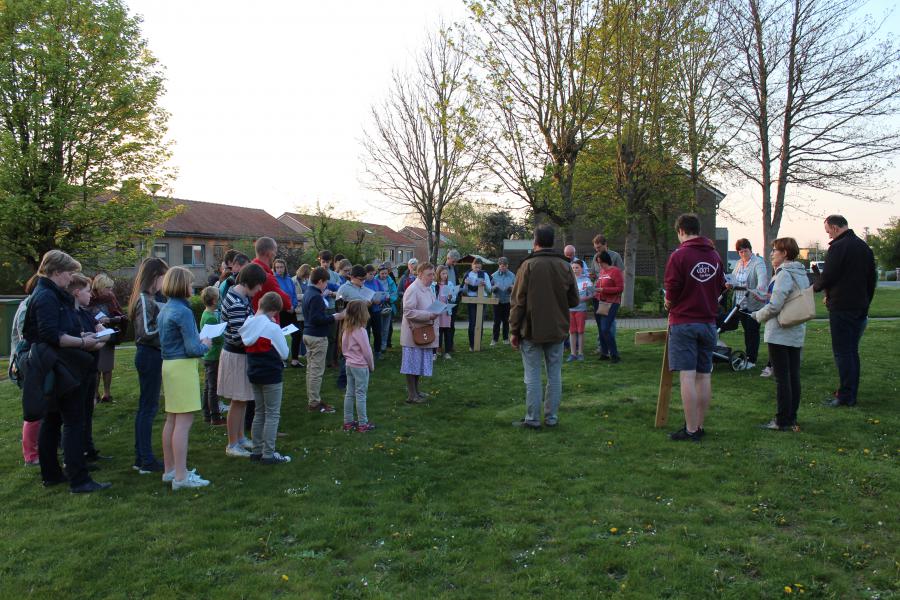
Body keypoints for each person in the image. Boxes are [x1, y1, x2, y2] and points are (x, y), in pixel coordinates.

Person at [24, 250, 111, 493]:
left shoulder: (49, 294)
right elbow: (51, 335)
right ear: (57, 272)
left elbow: (59, 330)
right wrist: (83, 342)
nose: (71, 278)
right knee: (72, 421)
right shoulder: (46, 297)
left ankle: (53, 473)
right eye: (70, 273)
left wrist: (81, 336)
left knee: (53, 421)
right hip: (59, 366)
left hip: (58, 363)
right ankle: (78, 478)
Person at [663, 213, 725, 442]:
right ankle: (699, 425)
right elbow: (720, 287)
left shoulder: (679, 255)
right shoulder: (715, 255)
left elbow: (672, 288)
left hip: (684, 321)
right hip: (708, 322)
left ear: (681, 231)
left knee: (687, 377)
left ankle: (690, 429)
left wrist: (668, 302)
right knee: (704, 376)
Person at [509, 226, 579, 428]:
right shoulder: (564, 266)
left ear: (535, 241)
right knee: (554, 374)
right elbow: (574, 300)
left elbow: (518, 302)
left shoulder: (527, 266)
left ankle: (533, 419)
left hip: (531, 329)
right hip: (557, 328)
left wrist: (514, 330)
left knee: (532, 375)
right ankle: (551, 418)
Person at [813, 215, 877, 407]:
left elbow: (829, 275)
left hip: (842, 306)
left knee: (843, 352)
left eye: (828, 231)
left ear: (834, 228)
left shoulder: (838, 247)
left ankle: (846, 395)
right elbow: (871, 278)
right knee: (851, 351)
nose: (828, 236)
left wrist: (815, 288)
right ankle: (849, 391)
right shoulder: (863, 247)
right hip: (859, 305)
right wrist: (866, 301)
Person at [157, 267, 212, 489]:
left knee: (172, 419)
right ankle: (181, 477)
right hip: (182, 367)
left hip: (169, 366)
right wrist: (205, 344)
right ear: (182, 285)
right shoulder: (183, 311)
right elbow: (192, 348)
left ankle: (170, 470)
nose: (192, 288)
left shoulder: (165, 309)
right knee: (183, 422)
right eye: (190, 284)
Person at [752, 238, 809, 431]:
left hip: (780, 332)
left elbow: (776, 306)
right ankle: (791, 416)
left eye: (775, 250)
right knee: (793, 376)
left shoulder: (784, 274)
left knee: (782, 377)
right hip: (796, 329)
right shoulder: (801, 272)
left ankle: (782, 420)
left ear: (785, 253)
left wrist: (758, 315)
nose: (771, 254)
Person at [219, 262, 267, 457]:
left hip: (239, 356)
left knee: (243, 399)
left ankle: (239, 438)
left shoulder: (239, 296)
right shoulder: (237, 302)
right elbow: (241, 337)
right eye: (259, 285)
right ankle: (232, 444)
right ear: (250, 283)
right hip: (236, 356)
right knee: (237, 401)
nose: (261, 289)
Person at [240, 291, 292, 464]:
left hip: (254, 372)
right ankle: (268, 453)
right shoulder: (271, 327)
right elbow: (284, 354)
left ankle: (256, 450)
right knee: (272, 414)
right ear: (274, 311)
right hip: (271, 374)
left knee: (259, 412)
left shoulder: (248, 323)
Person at [129, 257, 169, 474]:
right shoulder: (144, 299)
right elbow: (146, 332)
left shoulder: (154, 298)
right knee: (147, 408)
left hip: (154, 355)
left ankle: (141, 457)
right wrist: (169, 331)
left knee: (148, 407)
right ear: (155, 276)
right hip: (148, 356)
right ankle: (145, 459)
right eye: (163, 276)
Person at [69, 274, 109, 469]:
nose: (90, 295)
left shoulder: (85, 313)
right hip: (79, 370)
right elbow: (83, 342)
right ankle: (78, 456)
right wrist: (94, 341)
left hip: (91, 368)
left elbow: (102, 334)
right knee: (77, 416)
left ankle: (89, 449)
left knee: (88, 412)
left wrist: (98, 340)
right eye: (86, 291)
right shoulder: (72, 315)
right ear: (76, 293)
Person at [303, 266, 346, 414]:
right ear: (320, 281)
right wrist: (336, 317)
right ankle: (314, 402)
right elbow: (317, 319)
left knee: (311, 370)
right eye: (325, 282)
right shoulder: (315, 296)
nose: (326, 285)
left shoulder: (310, 292)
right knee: (316, 371)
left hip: (309, 334)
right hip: (317, 336)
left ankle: (313, 399)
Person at [400, 262, 442, 404]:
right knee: (411, 365)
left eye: (433, 274)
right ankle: (412, 394)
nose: (432, 277)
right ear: (420, 274)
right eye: (429, 275)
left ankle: (416, 391)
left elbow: (431, 305)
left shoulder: (428, 288)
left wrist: (439, 309)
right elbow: (408, 312)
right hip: (413, 333)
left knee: (418, 364)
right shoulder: (413, 289)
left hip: (424, 332)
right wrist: (429, 315)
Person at [726, 239, 769, 370]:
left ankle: (751, 359)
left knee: (752, 331)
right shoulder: (739, 263)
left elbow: (762, 280)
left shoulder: (758, 263)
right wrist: (730, 284)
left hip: (753, 303)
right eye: (740, 251)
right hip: (740, 303)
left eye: (745, 251)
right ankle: (748, 355)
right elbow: (733, 278)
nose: (743, 254)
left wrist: (757, 288)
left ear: (750, 250)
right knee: (746, 331)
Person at [11, 275, 40, 466]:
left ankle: (43, 446)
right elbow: (25, 336)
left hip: (36, 359)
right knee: (33, 409)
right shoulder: (27, 306)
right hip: (27, 362)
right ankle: (30, 453)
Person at [88, 273, 125, 403]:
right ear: (100, 287)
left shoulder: (111, 298)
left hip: (109, 335)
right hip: (94, 336)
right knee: (96, 368)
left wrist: (113, 319)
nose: (110, 291)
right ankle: (95, 393)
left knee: (107, 367)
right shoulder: (89, 298)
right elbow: (85, 313)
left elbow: (119, 313)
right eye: (108, 288)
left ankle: (107, 393)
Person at [341, 300, 376, 432]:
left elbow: (344, 349)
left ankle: (348, 421)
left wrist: (349, 359)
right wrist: (371, 366)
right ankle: (363, 423)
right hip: (360, 366)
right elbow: (367, 351)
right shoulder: (361, 331)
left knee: (349, 393)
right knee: (361, 394)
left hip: (349, 365)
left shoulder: (346, 330)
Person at [590, 235, 624, 352]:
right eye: (595, 248)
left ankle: (610, 347)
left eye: (599, 247)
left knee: (609, 324)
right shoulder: (595, 257)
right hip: (597, 295)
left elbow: (620, 276)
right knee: (600, 324)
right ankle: (602, 347)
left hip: (610, 297)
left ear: (605, 244)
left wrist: (610, 290)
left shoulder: (615, 256)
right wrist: (592, 276)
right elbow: (594, 274)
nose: (597, 250)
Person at [199, 286, 226, 425]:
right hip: (213, 355)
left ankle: (206, 414)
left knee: (208, 386)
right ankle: (215, 416)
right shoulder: (210, 318)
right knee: (212, 387)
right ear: (214, 301)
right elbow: (217, 338)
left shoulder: (206, 314)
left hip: (208, 355)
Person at [595, 251, 624, 363]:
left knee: (605, 328)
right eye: (598, 263)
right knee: (601, 329)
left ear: (606, 260)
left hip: (612, 302)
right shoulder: (602, 272)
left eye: (601, 262)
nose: (600, 265)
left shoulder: (615, 271)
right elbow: (599, 285)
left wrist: (604, 290)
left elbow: (620, 288)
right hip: (601, 302)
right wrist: (594, 291)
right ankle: (604, 353)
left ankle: (615, 354)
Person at [273, 258, 300, 363]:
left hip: (291, 310)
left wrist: (293, 306)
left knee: (297, 333)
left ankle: (295, 359)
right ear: (274, 268)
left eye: (281, 267)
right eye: (277, 267)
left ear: (285, 268)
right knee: (280, 336)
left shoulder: (289, 280)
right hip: (281, 311)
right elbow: (278, 296)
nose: (280, 269)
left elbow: (293, 294)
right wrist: (286, 307)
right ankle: (281, 359)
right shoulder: (274, 280)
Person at [462, 258, 492, 351]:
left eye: (479, 267)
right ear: (472, 265)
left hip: (482, 299)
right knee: (472, 323)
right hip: (472, 300)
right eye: (475, 267)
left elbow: (489, 290)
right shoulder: (468, 274)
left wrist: (485, 285)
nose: (477, 269)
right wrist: (466, 284)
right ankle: (471, 345)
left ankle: (478, 344)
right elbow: (464, 291)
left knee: (480, 322)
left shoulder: (485, 274)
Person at [567, 261, 593, 362]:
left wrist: (583, 299)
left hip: (581, 309)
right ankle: (573, 354)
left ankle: (580, 353)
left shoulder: (587, 280)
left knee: (580, 331)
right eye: (573, 268)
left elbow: (592, 294)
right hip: (570, 310)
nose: (574, 270)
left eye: (577, 267)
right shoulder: (568, 280)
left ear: (582, 268)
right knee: (572, 332)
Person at [491, 257, 515, 346]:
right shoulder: (494, 275)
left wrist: (512, 288)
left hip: (507, 300)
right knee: (496, 321)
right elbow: (490, 288)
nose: (503, 267)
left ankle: (505, 339)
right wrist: (494, 287)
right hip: (497, 300)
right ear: (499, 265)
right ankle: (494, 339)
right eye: (502, 266)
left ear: (507, 265)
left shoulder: (512, 275)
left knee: (506, 320)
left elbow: (516, 287)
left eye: (505, 266)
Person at [290, 264, 311, 367]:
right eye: (307, 275)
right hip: (297, 310)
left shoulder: (306, 281)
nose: (307, 277)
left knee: (304, 333)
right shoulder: (293, 281)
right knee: (298, 333)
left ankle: (303, 352)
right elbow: (293, 295)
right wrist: (305, 296)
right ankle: (298, 353)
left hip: (305, 310)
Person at [363, 264, 386, 358]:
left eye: (373, 274)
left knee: (377, 331)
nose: (372, 276)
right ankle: (366, 352)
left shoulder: (376, 282)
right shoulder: (363, 283)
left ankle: (377, 351)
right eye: (370, 274)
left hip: (376, 310)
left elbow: (383, 293)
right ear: (365, 274)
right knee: (366, 332)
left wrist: (381, 299)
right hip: (366, 310)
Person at [434, 265, 456, 359]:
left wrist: (451, 297)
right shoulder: (434, 284)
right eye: (443, 273)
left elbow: (454, 298)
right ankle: (435, 352)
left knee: (447, 331)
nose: (445, 275)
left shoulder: (450, 284)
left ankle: (447, 352)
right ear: (438, 274)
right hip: (437, 312)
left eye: (446, 273)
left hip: (446, 312)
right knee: (437, 332)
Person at [377, 264, 398, 353]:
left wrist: (390, 298)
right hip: (377, 306)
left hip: (388, 306)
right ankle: (378, 344)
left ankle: (383, 346)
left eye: (386, 273)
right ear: (379, 273)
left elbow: (395, 293)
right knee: (379, 327)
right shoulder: (375, 281)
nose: (384, 275)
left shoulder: (390, 281)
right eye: (382, 274)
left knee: (386, 327)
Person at [444, 250, 461, 355]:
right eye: (453, 261)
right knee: (444, 324)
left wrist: (458, 294)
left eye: (456, 262)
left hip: (454, 299)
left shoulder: (455, 268)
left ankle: (450, 345)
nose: (455, 263)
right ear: (448, 258)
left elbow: (457, 282)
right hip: (444, 299)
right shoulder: (441, 268)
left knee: (452, 324)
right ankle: (441, 346)